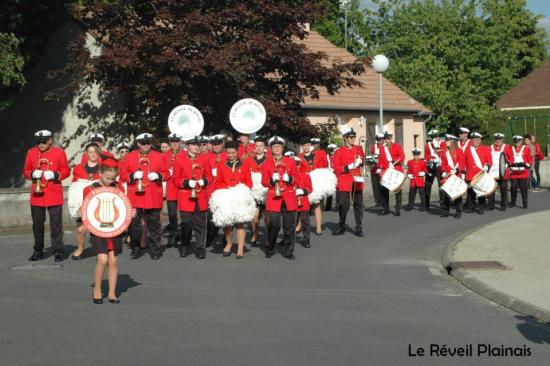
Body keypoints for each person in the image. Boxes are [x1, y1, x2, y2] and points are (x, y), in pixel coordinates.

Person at [119, 133, 169, 260]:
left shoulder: (159, 156)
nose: (146, 145)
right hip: (136, 196)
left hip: (153, 195)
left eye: (148, 143)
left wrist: (158, 176)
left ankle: (155, 249)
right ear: (138, 143)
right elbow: (123, 175)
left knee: (154, 225)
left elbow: (167, 173)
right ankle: (135, 248)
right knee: (134, 225)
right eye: (143, 143)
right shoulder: (130, 156)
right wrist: (132, 176)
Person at [23, 130, 70, 262]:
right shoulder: (31, 152)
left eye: (44, 142)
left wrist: (54, 175)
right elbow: (25, 170)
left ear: (50, 140)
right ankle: (38, 250)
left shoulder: (59, 152)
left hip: (54, 193)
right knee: (37, 223)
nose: (41, 145)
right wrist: (32, 174)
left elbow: (66, 170)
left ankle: (58, 251)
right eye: (39, 142)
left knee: (56, 224)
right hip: (37, 195)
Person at [86, 158, 127, 304]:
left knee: (113, 261)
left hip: (115, 229)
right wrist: (80, 212)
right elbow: (86, 210)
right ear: (100, 173)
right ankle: (97, 289)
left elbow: (124, 208)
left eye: (113, 178)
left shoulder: (118, 188)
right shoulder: (90, 189)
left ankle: (111, 293)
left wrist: (131, 212)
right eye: (107, 178)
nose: (110, 181)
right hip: (98, 229)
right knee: (103, 259)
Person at [173, 136, 213, 259]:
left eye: (198, 145)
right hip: (186, 196)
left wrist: (204, 181)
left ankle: (200, 248)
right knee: (187, 223)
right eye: (193, 145)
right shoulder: (179, 160)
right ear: (187, 146)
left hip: (200, 195)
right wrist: (186, 183)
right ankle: (184, 245)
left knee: (201, 224)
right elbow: (175, 179)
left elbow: (210, 176)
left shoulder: (204, 159)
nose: (197, 147)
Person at [261, 136, 299, 259]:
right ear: (271, 149)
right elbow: (263, 182)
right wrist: (271, 180)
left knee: (289, 227)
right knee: (274, 224)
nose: (277, 148)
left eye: (279, 146)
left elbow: (297, 179)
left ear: (282, 148)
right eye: (274, 146)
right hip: (274, 198)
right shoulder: (266, 163)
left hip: (288, 197)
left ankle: (289, 251)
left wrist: (290, 179)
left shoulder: (290, 161)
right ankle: (270, 247)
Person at [215, 140, 252, 258]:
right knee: (227, 223)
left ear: (237, 152)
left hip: (240, 196)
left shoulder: (245, 163)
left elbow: (249, 181)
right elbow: (218, 182)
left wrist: (242, 189)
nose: (231, 155)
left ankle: (240, 248)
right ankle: (229, 243)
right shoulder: (221, 164)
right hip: (226, 195)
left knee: (240, 223)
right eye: (229, 153)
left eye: (233, 153)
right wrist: (227, 188)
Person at [70, 142, 102, 260]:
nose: (93, 154)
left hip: (99, 203)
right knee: (80, 229)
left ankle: (100, 251)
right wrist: (77, 205)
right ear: (86, 154)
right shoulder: (78, 168)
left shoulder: (103, 167)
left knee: (98, 229)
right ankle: (80, 248)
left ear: (98, 153)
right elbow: (75, 188)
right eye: (90, 152)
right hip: (82, 203)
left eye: (95, 151)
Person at [332, 127, 364, 237]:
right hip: (344, 181)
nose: (353, 138)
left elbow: (363, 162)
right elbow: (336, 168)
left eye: (354, 136)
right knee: (342, 205)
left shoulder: (359, 148)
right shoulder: (339, 151)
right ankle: (341, 225)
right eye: (351, 137)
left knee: (358, 204)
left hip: (356, 179)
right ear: (345, 138)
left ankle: (359, 226)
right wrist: (348, 167)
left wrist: (361, 161)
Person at [298, 137, 329, 236]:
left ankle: (318, 228)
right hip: (304, 183)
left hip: (316, 183)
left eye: (308, 145)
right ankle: (299, 226)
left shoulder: (316, 156)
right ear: (302, 147)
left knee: (317, 205)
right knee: (302, 206)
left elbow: (323, 166)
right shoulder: (298, 157)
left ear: (310, 146)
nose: (306, 147)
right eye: (304, 146)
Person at [204, 134, 227, 246]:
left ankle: (226, 237)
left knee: (227, 215)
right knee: (209, 215)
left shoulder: (228, 156)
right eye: (214, 144)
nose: (216, 146)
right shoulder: (206, 157)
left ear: (222, 143)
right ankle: (209, 236)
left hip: (225, 190)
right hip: (210, 190)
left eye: (218, 144)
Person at [245, 136, 268, 246]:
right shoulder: (249, 159)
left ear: (265, 147)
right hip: (253, 191)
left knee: (267, 217)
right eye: (257, 146)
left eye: (261, 146)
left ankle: (268, 237)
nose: (259, 148)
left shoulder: (270, 159)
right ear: (254, 147)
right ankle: (255, 234)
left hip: (265, 191)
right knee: (254, 218)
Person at [163, 133, 185, 247]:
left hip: (182, 187)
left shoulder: (185, 154)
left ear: (180, 142)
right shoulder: (165, 155)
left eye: (176, 141)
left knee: (184, 213)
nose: (175, 144)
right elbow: (161, 170)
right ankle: (174, 233)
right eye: (172, 141)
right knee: (172, 214)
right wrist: (167, 173)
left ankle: (184, 234)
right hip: (171, 187)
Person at [377, 131, 405, 216]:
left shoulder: (397, 146)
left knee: (397, 191)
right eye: (386, 138)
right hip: (386, 171)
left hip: (396, 170)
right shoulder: (382, 148)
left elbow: (402, 156)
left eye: (389, 138)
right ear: (384, 139)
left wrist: (394, 161)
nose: (388, 140)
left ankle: (397, 209)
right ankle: (385, 208)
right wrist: (379, 167)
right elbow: (380, 160)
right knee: (384, 190)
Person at [464, 132, 491, 214]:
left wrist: (487, 166)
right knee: (470, 192)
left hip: (480, 174)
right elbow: (464, 160)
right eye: (473, 140)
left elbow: (489, 161)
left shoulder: (485, 148)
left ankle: (481, 206)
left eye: (476, 140)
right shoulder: (468, 149)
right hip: (470, 174)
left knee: (480, 191)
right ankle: (470, 207)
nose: (474, 141)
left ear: (480, 140)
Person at [439, 135, 466, 218]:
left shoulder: (459, 151)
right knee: (445, 193)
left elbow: (462, 163)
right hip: (447, 175)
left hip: (456, 175)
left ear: (452, 142)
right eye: (446, 140)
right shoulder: (444, 153)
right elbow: (443, 164)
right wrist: (443, 171)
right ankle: (445, 211)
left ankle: (458, 212)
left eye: (447, 140)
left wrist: (457, 170)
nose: (445, 142)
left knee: (457, 194)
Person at [507, 135, 533, 208]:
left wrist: (527, 164)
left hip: (523, 173)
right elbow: (509, 158)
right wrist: (509, 163)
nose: (516, 144)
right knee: (513, 188)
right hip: (514, 173)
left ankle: (525, 204)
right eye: (515, 142)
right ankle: (512, 203)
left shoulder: (526, 149)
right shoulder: (511, 149)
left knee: (523, 189)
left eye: (518, 142)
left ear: (521, 141)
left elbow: (530, 159)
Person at [293, 156, 313, 248]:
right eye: (293, 164)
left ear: (299, 164)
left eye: (297, 164)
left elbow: (310, 188)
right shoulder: (287, 176)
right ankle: (288, 239)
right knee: (290, 222)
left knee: (305, 221)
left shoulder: (305, 175)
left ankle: (306, 239)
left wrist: (303, 191)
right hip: (292, 202)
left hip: (303, 201)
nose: (295, 166)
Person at [487, 133, 511, 211]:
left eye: (500, 139)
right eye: (497, 139)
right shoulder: (490, 147)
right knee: (492, 189)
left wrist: (507, 164)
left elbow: (511, 158)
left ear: (502, 140)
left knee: (503, 189)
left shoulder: (506, 147)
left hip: (503, 172)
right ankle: (491, 205)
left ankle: (504, 204)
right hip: (492, 172)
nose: (498, 141)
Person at [423, 129, 445, 212]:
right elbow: (426, 156)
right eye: (432, 137)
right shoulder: (428, 144)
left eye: (435, 136)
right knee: (427, 185)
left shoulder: (442, 143)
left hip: (440, 167)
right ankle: (426, 204)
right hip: (431, 166)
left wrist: (437, 149)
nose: (434, 138)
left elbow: (444, 153)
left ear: (437, 136)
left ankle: (443, 204)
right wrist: (430, 159)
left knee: (442, 186)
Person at [368, 134, 385, 208]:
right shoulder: (373, 146)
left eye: (381, 139)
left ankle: (383, 201)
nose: (379, 141)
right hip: (374, 169)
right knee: (375, 186)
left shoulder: (385, 147)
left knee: (382, 186)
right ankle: (377, 202)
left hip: (382, 169)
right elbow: (371, 156)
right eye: (378, 139)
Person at [324, 143, 338, 212]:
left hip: (337, 174)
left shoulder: (337, 156)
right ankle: (328, 206)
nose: (332, 151)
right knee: (330, 191)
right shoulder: (326, 156)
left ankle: (338, 206)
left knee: (338, 190)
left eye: (333, 150)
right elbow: (325, 164)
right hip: (329, 174)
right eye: (331, 150)